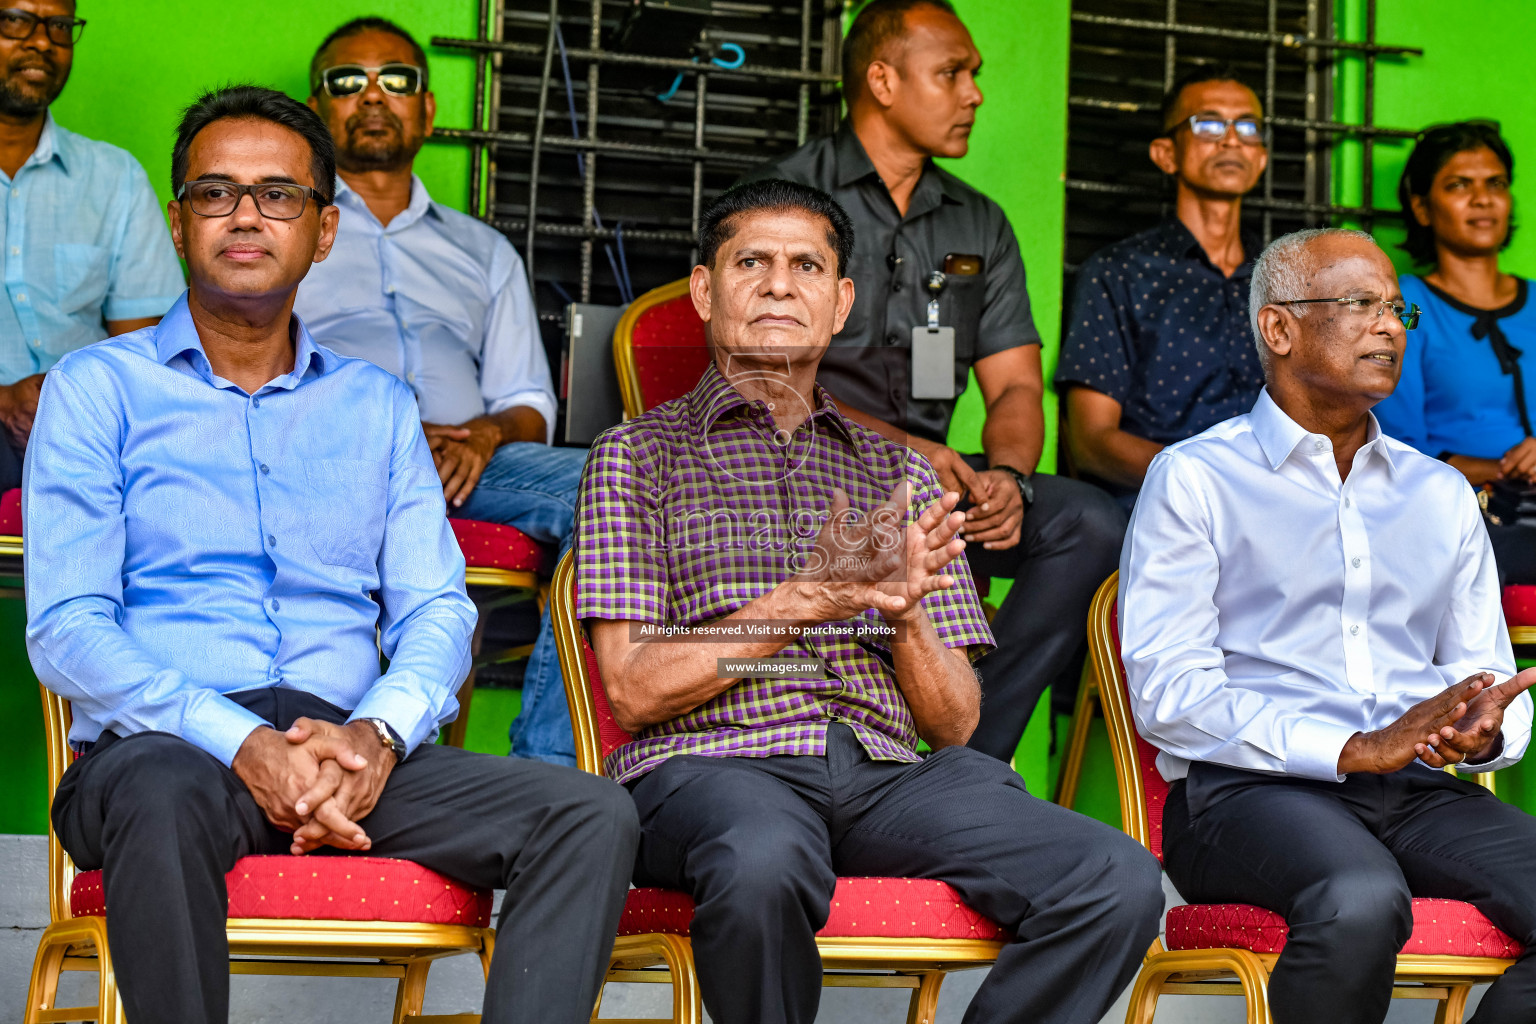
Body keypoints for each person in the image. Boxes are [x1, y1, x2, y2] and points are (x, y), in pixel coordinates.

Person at [24, 85, 638, 1024]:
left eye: (278, 195)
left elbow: (437, 607)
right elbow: (67, 627)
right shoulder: (97, 389)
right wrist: (244, 743)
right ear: (179, 221)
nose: (244, 216)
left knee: (588, 813)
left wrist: (376, 736)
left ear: (323, 232)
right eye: (215, 192)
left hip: (348, 746)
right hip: (169, 743)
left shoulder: (377, 405)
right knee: (160, 789)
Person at [575, 177, 1164, 1024]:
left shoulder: (901, 476)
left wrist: (905, 609)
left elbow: (956, 723)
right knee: (763, 858)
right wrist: (805, 604)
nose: (781, 284)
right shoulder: (636, 458)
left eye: (807, 266)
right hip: (717, 769)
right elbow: (633, 687)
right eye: (752, 262)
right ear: (707, 290)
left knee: (1113, 876)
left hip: (888, 776)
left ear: (840, 301)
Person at [1121, 227, 1536, 1024]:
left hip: (1415, 792)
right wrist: (1349, 750)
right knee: (1359, 898)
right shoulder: (1198, 478)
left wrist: (1482, 733)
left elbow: (1490, 679)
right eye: (1359, 304)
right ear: (1278, 328)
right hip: (1247, 796)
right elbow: (1169, 693)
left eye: (1395, 310)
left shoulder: (1439, 494)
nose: (1388, 325)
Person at [744, 0, 1126, 757]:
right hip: (797, 477)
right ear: (882, 80)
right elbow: (755, 381)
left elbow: (1016, 386)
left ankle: (968, 752)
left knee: (1090, 523)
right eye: (952, 73)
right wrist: (898, 448)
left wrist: (1010, 477)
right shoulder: (784, 201)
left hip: (928, 488)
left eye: (974, 75)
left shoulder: (977, 223)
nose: (974, 92)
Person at [294, 17, 586, 765]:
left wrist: (486, 435)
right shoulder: (287, 229)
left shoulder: (483, 250)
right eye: (346, 81)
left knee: (614, 481)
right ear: (316, 108)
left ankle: (545, 773)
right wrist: (387, 426)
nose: (372, 96)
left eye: (396, 80)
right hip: (332, 456)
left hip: (467, 464)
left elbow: (530, 404)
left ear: (427, 110)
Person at [1056, 64, 1268, 511]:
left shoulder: (1285, 279)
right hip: (1156, 510)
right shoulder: (1118, 272)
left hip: (1279, 513)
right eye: (1209, 124)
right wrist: (1214, 481)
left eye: (1247, 127)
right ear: (1165, 154)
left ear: (1262, 158)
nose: (1231, 139)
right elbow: (1091, 443)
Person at [0, 0, 183, 491]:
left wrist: (72, 402)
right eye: (16, 20)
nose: (42, 41)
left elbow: (143, 349)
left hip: (92, 429)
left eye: (59, 25)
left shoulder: (114, 177)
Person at [1372, 121, 1536, 584]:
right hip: (1463, 515)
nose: (1482, 199)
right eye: (1459, 185)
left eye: (1496, 184)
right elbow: (1397, 450)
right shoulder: (1407, 308)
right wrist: (1509, 469)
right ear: (1422, 208)